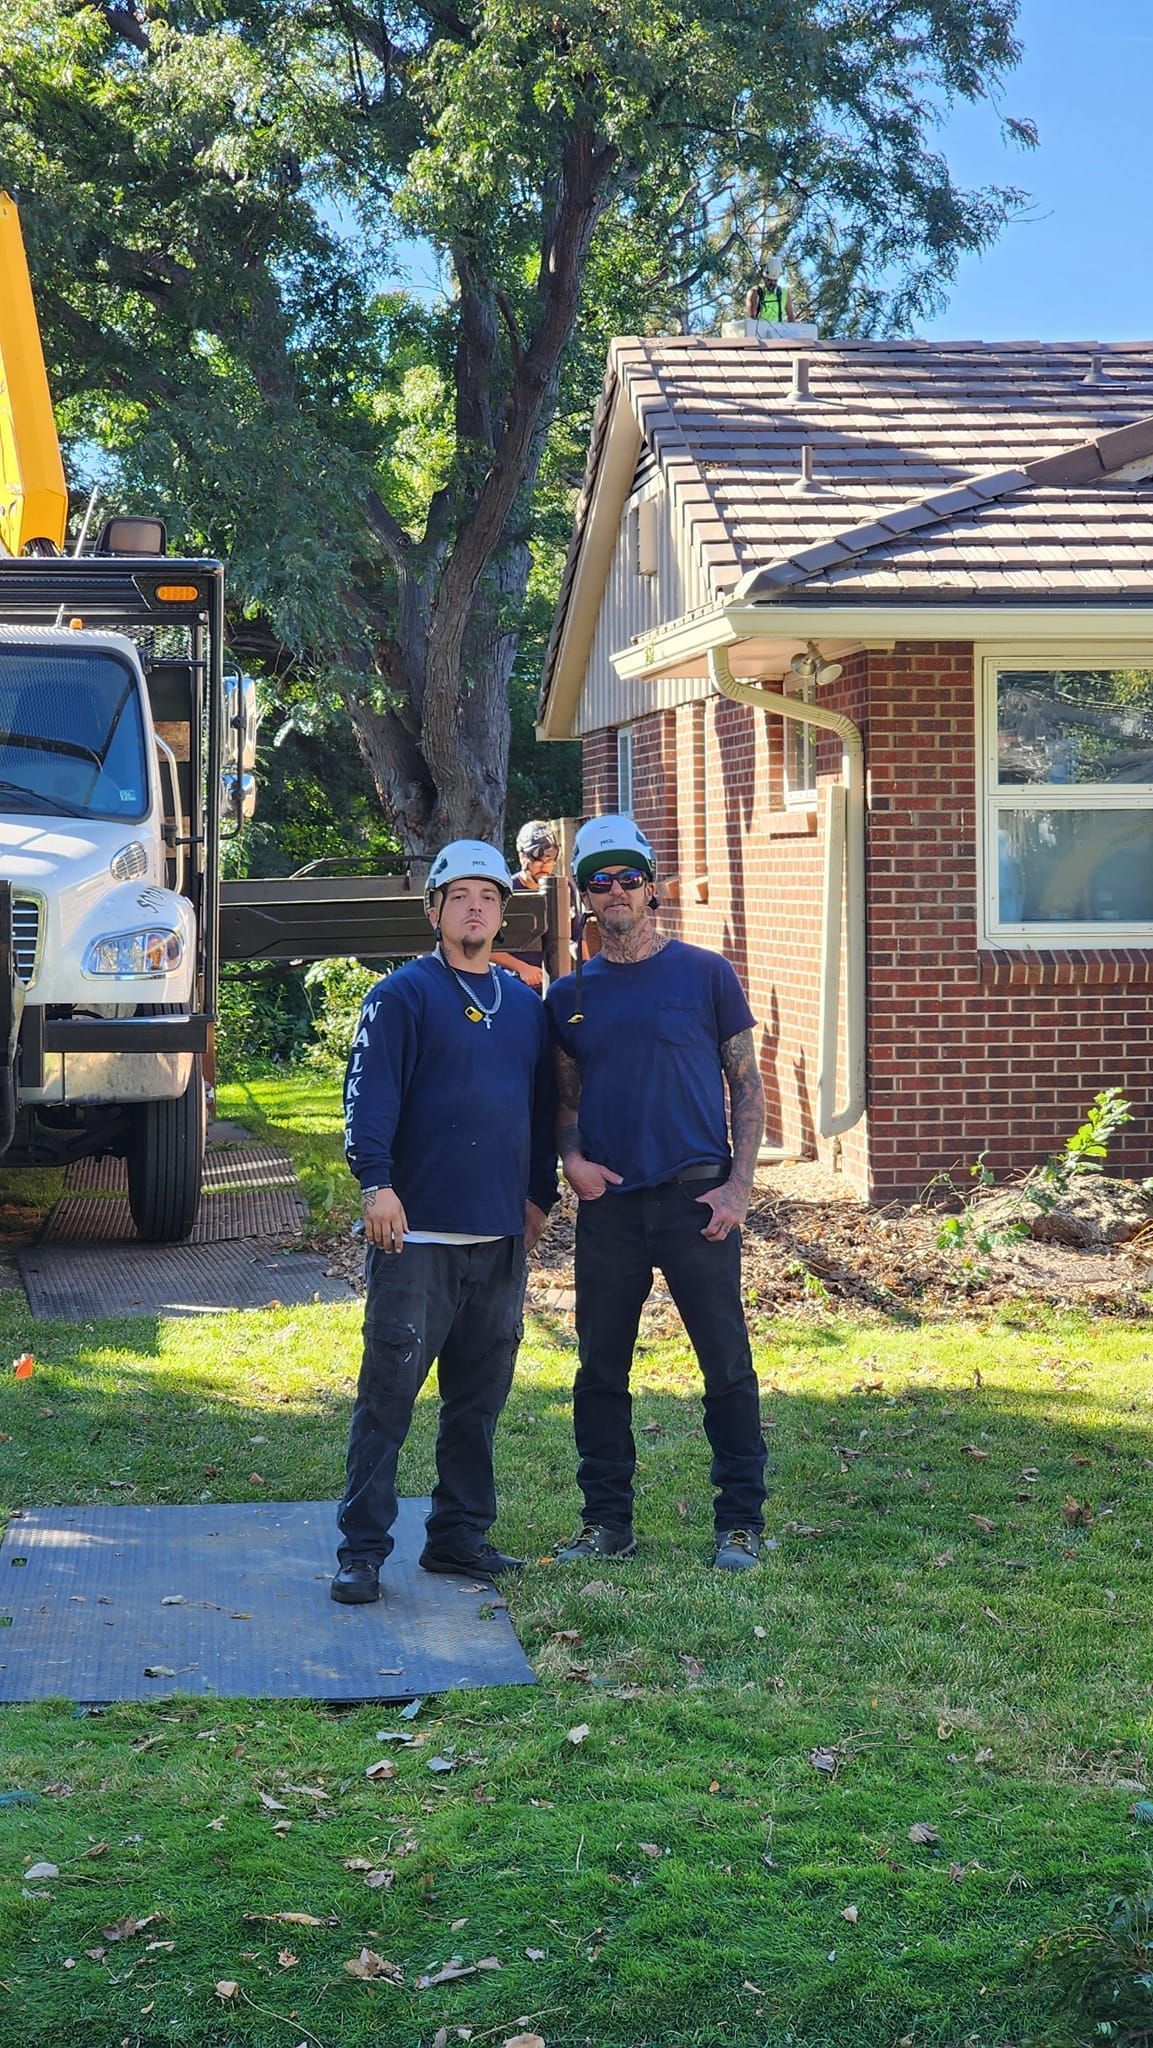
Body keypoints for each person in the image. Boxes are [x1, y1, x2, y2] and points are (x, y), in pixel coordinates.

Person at [331, 839, 558, 1603]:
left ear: (503, 912)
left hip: (496, 1240)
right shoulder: (401, 996)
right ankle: (362, 1550)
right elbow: (368, 1097)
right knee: (386, 1399)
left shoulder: (524, 1006)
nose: (474, 908)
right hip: (415, 1236)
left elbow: (538, 1111)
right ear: (434, 910)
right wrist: (376, 1185)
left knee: (477, 1402)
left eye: (488, 897)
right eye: (458, 895)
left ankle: (459, 1538)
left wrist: (536, 1199)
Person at [544, 814, 768, 1573]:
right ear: (582, 896)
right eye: (598, 881)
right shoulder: (569, 995)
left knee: (725, 1366)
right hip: (610, 1210)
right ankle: (606, 1523)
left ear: (651, 887)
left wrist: (737, 1187)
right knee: (599, 1370)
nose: (614, 891)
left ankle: (739, 1523)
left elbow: (745, 1085)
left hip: (696, 1202)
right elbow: (565, 1104)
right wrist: (570, 1158)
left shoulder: (706, 973)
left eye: (627, 877)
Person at [491, 820, 559, 990]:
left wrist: (584, 971)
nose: (544, 866)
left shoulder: (562, 890)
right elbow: (485, 946)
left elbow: (578, 938)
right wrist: (522, 968)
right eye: (537, 859)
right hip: (512, 983)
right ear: (522, 857)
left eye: (550, 860)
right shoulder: (504, 892)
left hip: (554, 980)